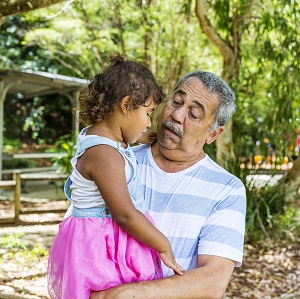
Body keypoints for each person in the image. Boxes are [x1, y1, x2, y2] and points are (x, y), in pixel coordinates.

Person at [89, 71, 247, 299]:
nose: (177, 115)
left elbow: (213, 280)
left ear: (213, 134)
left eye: (194, 114)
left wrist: (122, 296)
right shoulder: (116, 160)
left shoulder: (226, 189)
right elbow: (79, 228)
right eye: (176, 102)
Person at [47, 53, 184, 299]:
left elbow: (138, 134)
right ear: (126, 105)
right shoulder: (103, 155)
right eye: (148, 113)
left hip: (111, 238)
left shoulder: (106, 136)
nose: (148, 122)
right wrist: (163, 245)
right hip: (99, 245)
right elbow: (123, 213)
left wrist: (154, 135)